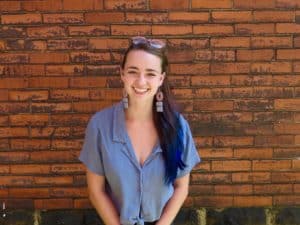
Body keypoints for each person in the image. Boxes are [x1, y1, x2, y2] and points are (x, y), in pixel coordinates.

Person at [79, 36, 201, 225]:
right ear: (122, 74)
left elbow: (181, 187)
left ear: (161, 78)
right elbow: (96, 191)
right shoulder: (100, 126)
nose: (141, 81)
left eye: (150, 73)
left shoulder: (177, 127)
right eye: (133, 71)